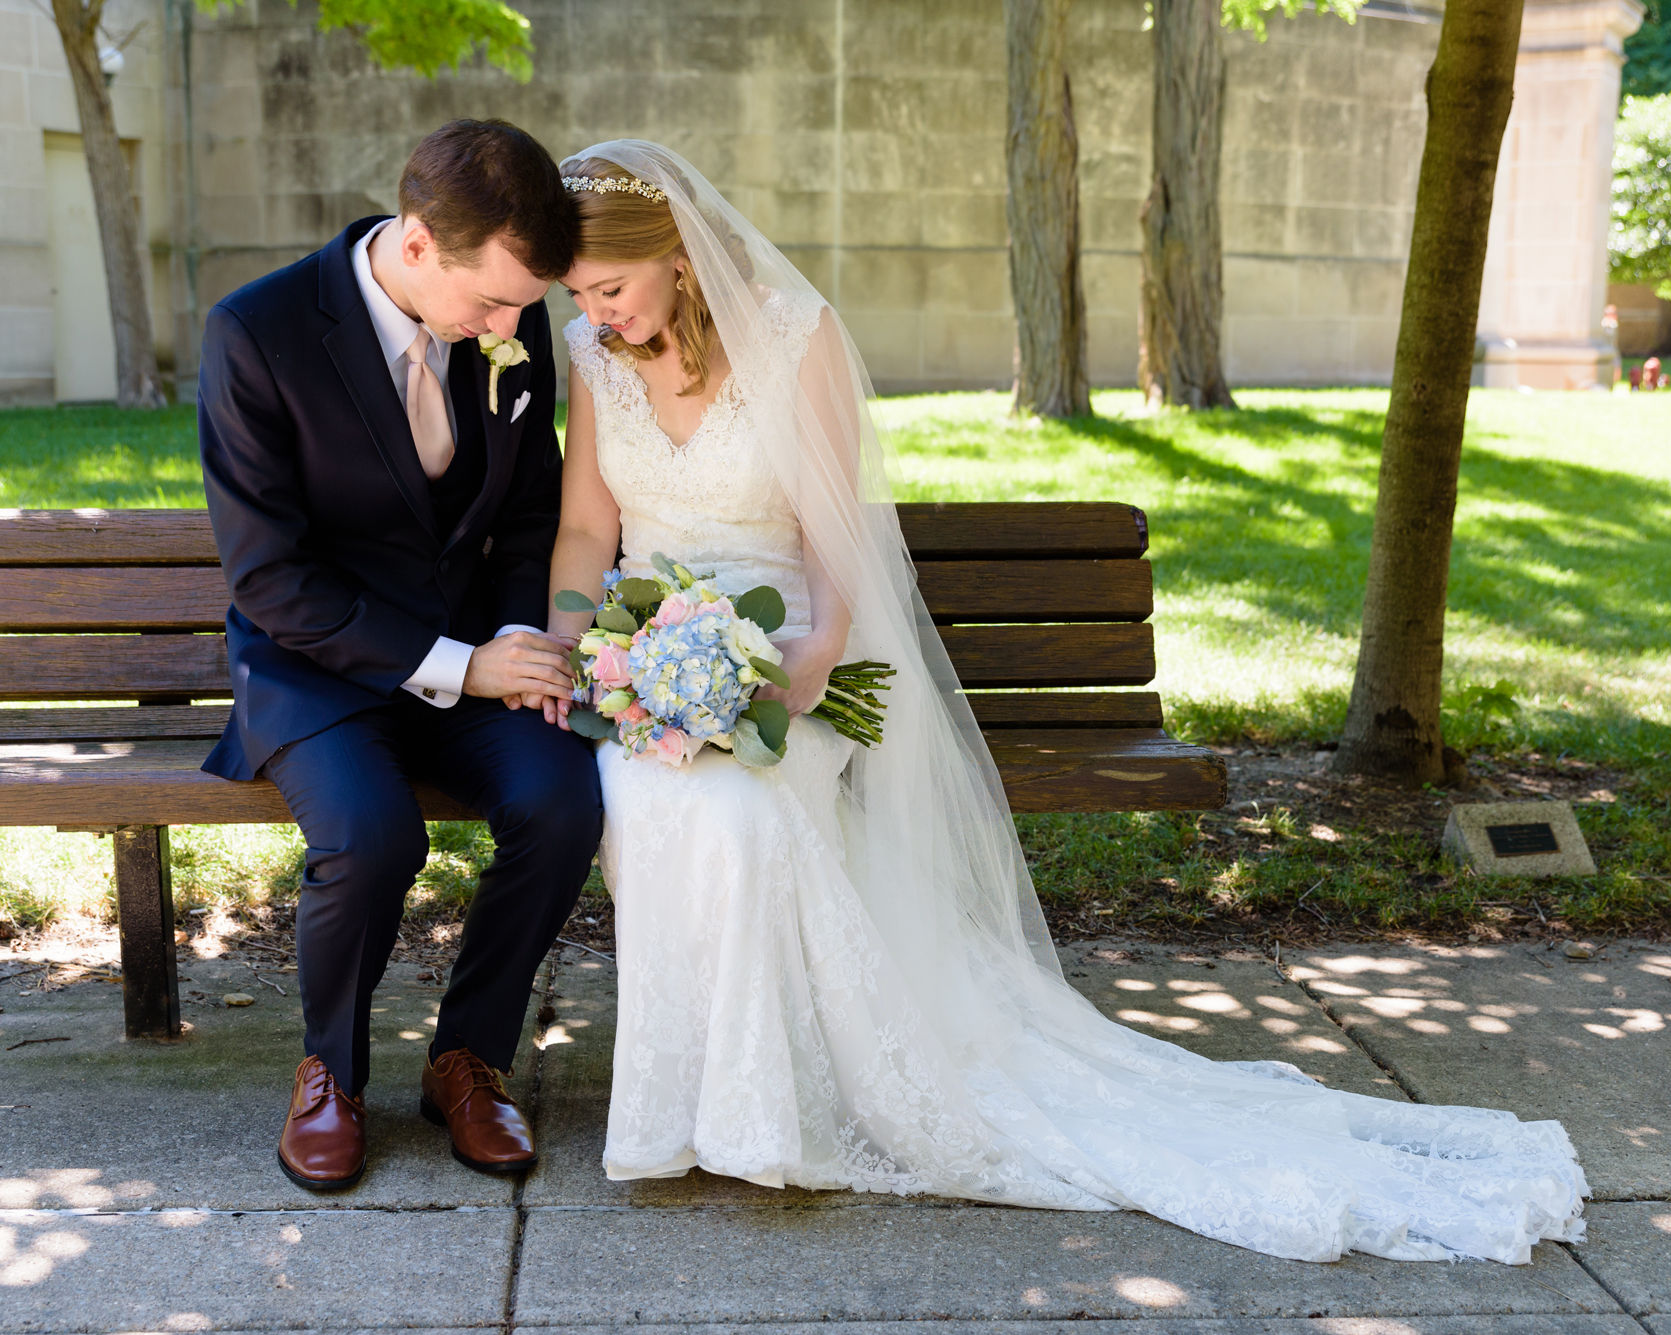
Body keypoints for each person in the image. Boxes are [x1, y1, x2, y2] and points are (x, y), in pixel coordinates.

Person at [532, 140, 1590, 1265]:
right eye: (577, 297)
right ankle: (689, 1113)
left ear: (681, 259)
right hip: (643, 660)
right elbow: (589, 530)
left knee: (741, 812)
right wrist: (578, 646)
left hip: (790, 649)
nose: (594, 315)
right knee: (655, 807)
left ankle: (753, 1120)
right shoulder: (594, 357)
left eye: (609, 289)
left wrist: (813, 651)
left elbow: (840, 533)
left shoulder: (794, 336)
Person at [198, 119, 602, 1192]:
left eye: (526, 304)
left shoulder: (505, 324)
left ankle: (468, 1058)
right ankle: (328, 1074)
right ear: (418, 244)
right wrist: (458, 665)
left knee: (563, 801)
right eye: (495, 302)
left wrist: (518, 634)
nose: (513, 325)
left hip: (477, 653)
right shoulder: (257, 333)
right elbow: (269, 580)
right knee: (374, 839)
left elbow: (525, 515)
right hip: (316, 665)